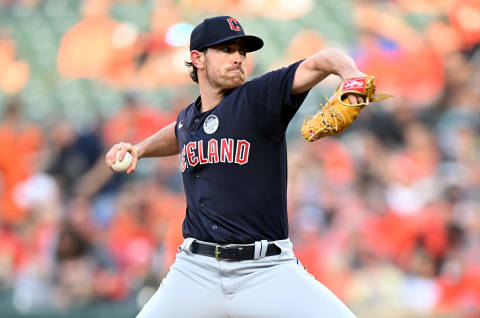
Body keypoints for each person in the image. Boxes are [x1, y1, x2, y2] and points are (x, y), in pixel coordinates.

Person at [106, 15, 366, 318]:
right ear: (197, 58)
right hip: (195, 271)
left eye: (242, 51)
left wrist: (352, 74)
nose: (238, 58)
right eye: (227, 50)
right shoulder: (190, 118)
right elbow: (178, 131)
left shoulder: (259, 98)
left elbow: (321, 61)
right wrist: (139, 148)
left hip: (266, 270)